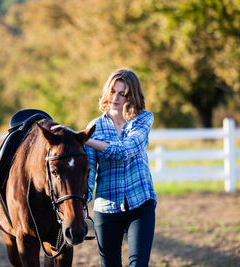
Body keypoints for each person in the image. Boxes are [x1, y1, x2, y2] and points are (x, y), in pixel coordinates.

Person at [84, 68, 156, 267]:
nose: (115, 97)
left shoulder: (143, 119)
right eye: (113, 91)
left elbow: (126, 150)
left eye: (122, 94)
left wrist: (86, 140)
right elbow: (89, 175)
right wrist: (82, 204)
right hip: (106, 209)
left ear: (131, 96)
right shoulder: (94, 127)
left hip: (140, 203)